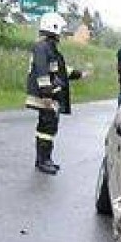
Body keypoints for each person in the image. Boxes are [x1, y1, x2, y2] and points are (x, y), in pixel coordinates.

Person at [25, 12, 83, 175]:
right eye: (61, 30)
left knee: (49, 125)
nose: (62, 34)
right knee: (47, 126)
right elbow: (42, 71)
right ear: (53, 28)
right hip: (45, 95)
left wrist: (79, 74)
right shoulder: (42, 47)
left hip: (50, 94)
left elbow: (60, 70)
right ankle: (44, 160)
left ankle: (44, 159)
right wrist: (47, 92)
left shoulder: (49, 48)